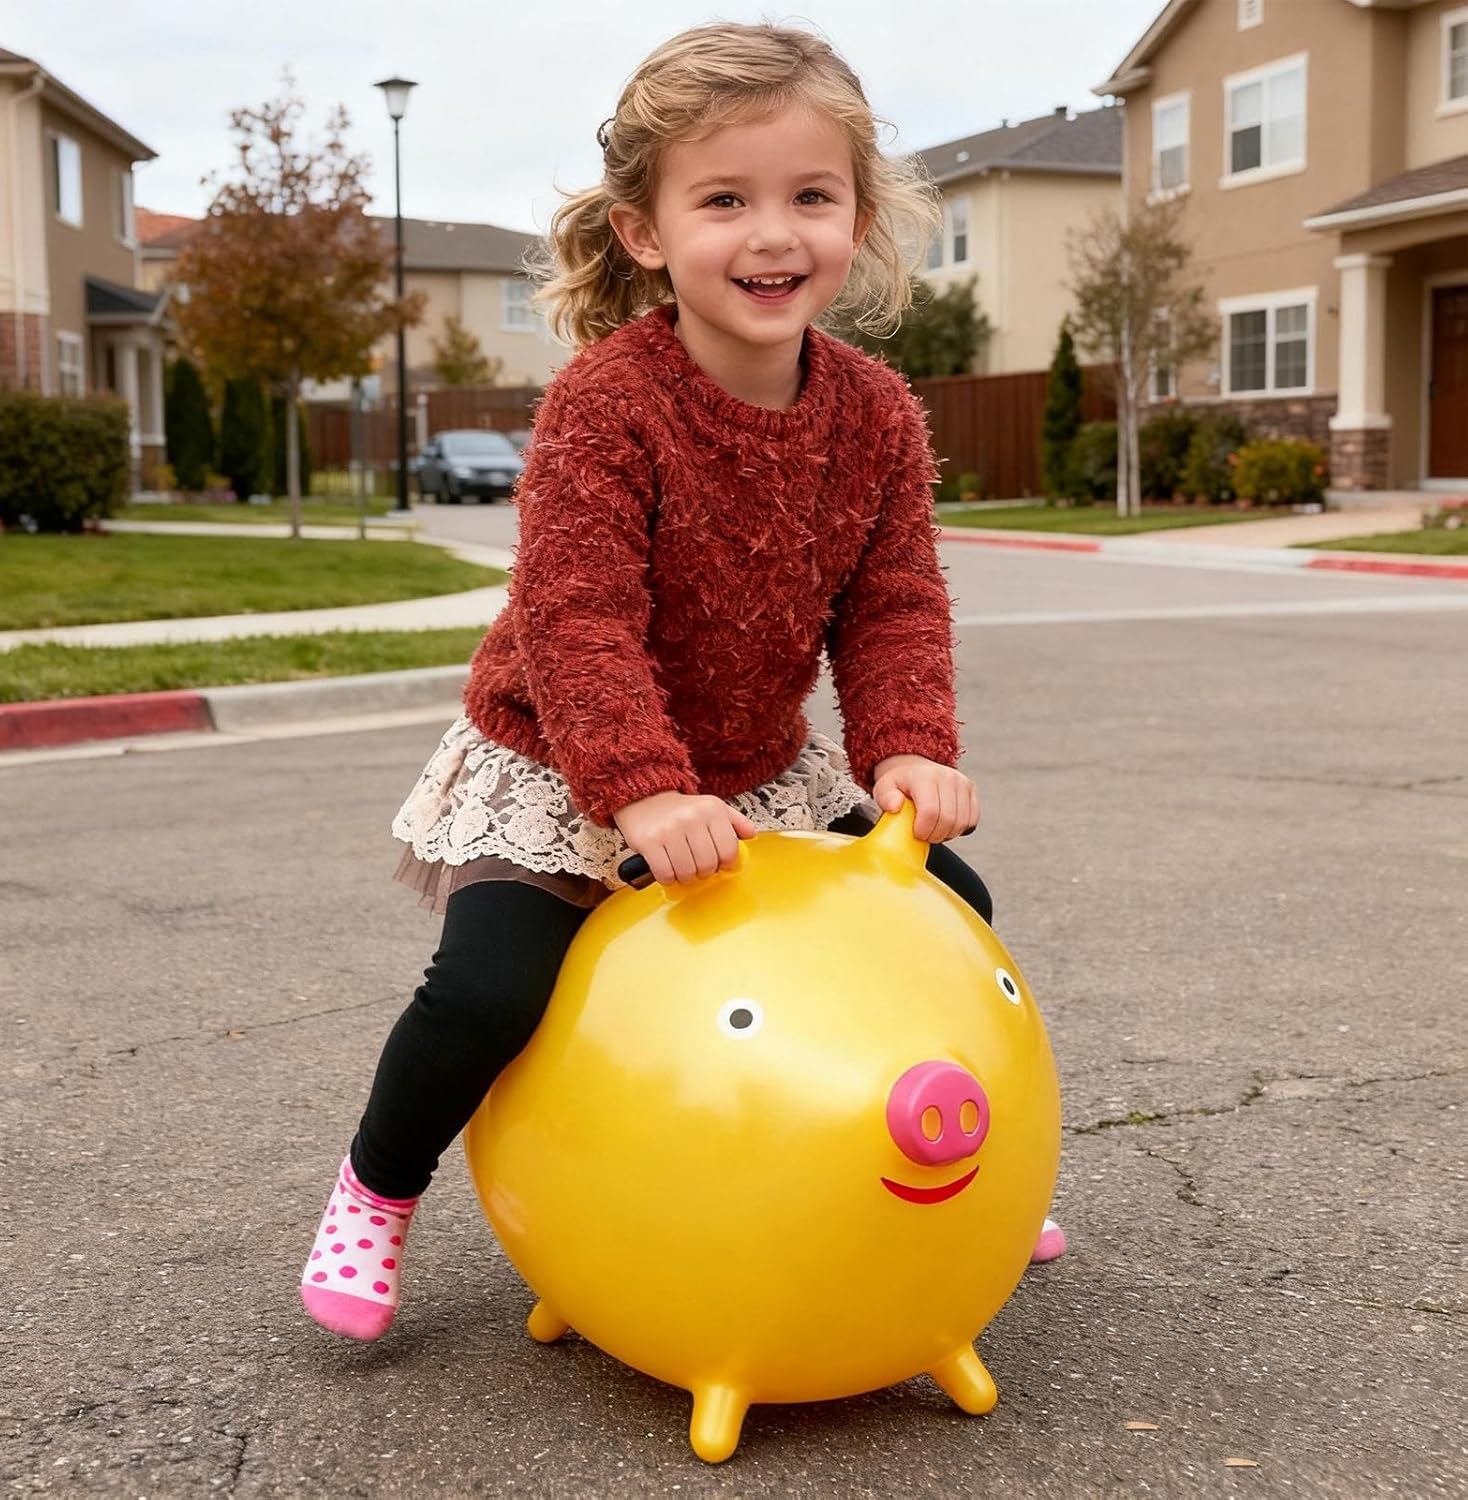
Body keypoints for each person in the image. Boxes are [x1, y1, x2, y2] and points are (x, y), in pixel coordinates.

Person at [300, 20, 1062, 1343]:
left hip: (754, 762)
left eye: (811, 197)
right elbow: (576, 616)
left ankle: (958, 1183)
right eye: (724, 201)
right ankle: (377, 1190)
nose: (774, 235)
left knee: (955, 905)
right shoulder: (609, 403)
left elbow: (892, 603)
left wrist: (907, 746)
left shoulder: (877, 413)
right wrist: (642, 792)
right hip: (566, 759)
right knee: (489, 987)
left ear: (859, 217)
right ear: (645, 232)